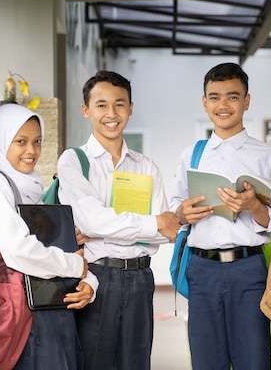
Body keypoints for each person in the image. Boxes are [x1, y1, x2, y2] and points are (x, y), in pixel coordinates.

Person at [56, 70, 180, 370]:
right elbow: (91, 220)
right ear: (86, 110)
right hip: (97, 277)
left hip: (140, 279)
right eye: (101, 105)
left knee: (137, 363)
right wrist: (149, 224)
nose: (111, 113)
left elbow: (167, 233)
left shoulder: (146, 166)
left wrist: (103, 228)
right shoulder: (73, 161)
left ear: (131, 108)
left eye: (119, 104)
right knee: (94, 362)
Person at [170, 62, 271, 370]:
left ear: (247, 101)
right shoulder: (192, 154)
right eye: (215, 96)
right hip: (202, 269)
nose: (223, 105)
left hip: (249, 269)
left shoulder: (267, 156)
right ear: (205, 102)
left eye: (233, 97)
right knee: (207, 361)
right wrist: (183, 212)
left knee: (254, 360)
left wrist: (252, 206)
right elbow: (175, 209)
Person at [0, 103, 98, 370]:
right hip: (26, 316)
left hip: (49, 308)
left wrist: (88, 280)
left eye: (37, 141)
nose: (31, 150)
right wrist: (75, 266)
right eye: (20, 141)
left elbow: (50, 245)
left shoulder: (30, 184)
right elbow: (18, 249)